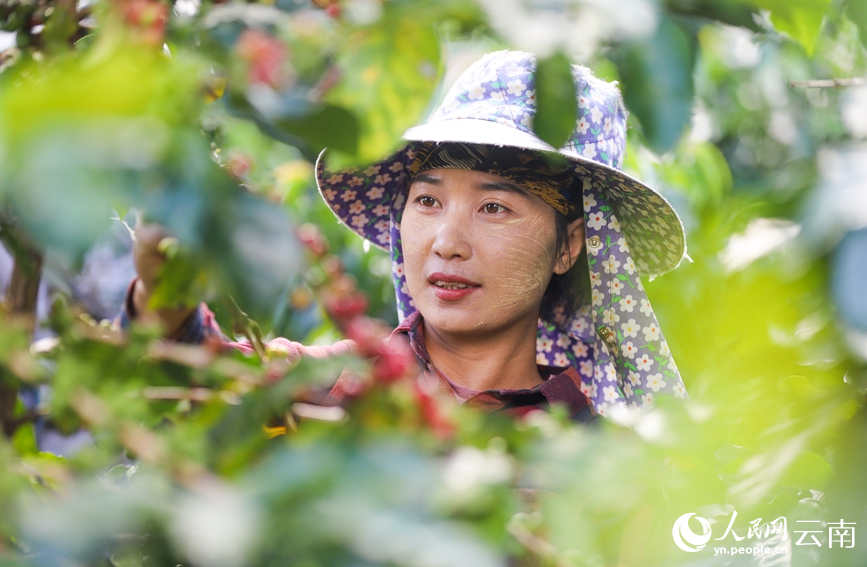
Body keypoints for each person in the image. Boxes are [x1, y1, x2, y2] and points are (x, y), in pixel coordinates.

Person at [127, 50, 689, 421]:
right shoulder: (335, 383)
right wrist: (163, 290)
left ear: (569, 244)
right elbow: (189, 378)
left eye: (493, 206)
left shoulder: (594, 460)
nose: (446, 241)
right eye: (427, 200)